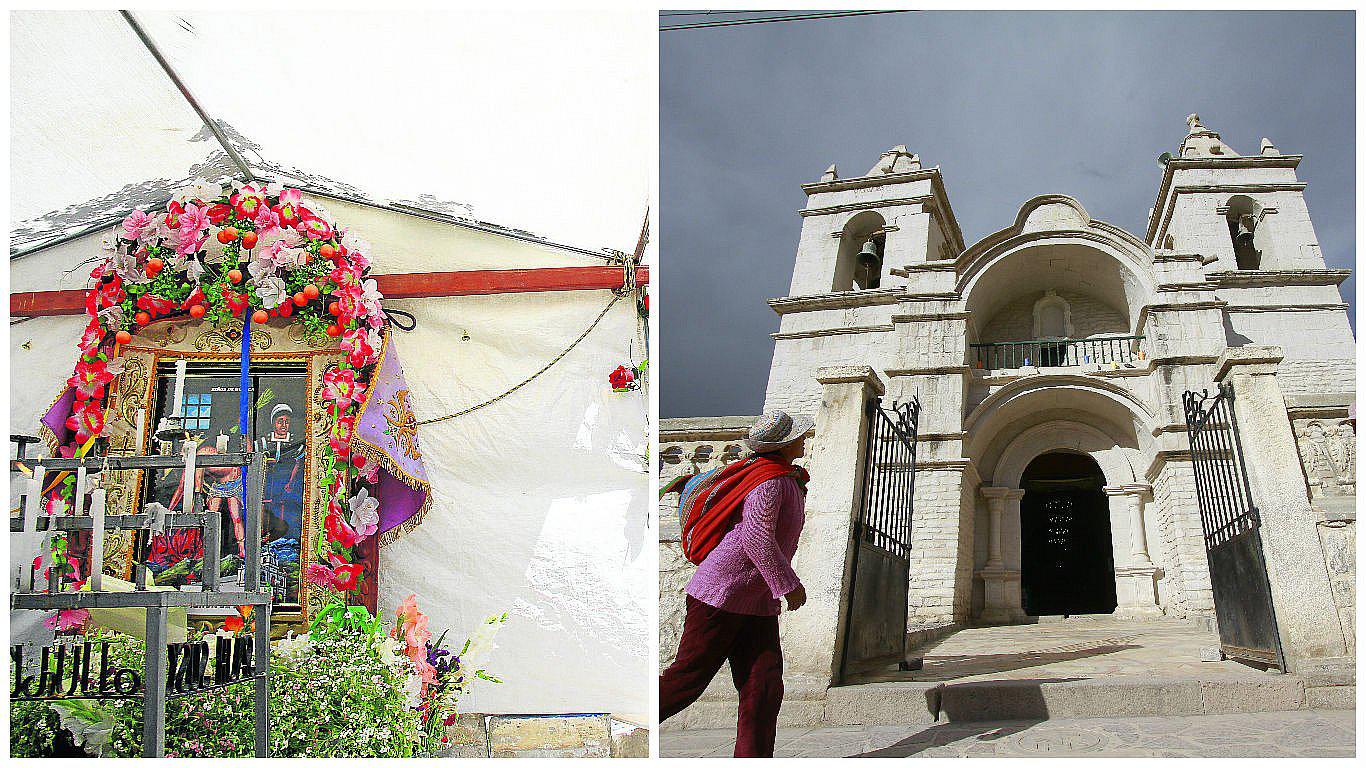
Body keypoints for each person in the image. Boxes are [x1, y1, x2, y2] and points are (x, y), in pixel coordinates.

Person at [659, 410, 812, 758]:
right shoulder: (769, 481)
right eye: (799, 436)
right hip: (720, 595)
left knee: (764, 686)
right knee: (688, 680)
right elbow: (756, 538)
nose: (804, 439)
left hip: (755, 602)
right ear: (785, 444)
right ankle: (636, 721)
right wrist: (788, 585)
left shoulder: (784, 477)